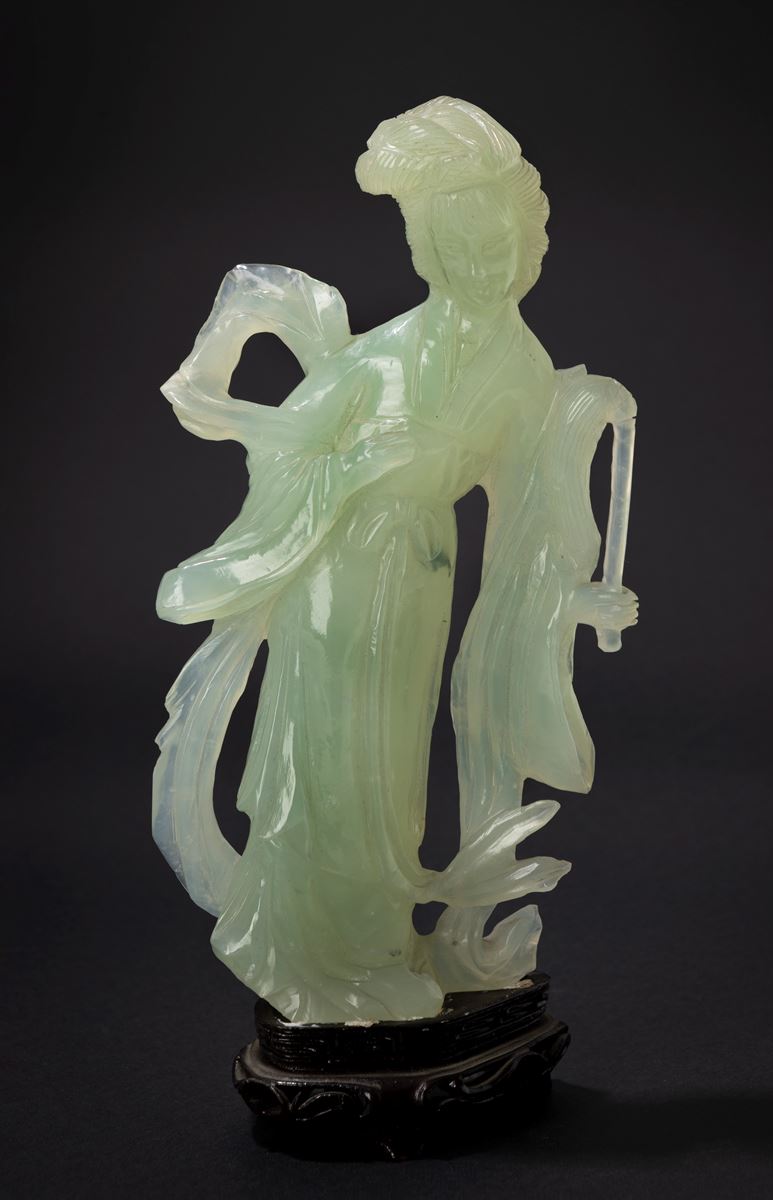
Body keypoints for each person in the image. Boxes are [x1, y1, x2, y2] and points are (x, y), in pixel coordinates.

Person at [153, 97, 638, 1022]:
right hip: (335, 567)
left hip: (419, 572)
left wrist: (575, 601)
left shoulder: (523, 371)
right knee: (326, 761)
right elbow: (276, 448)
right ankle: (310, 954)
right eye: (455, 245)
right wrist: (351, 466)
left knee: (389, 774)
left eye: (494, 245)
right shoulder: (378, 355)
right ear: (424, 250)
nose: (478, 263)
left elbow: (533, 522)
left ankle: (376, 946)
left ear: (526, 248)